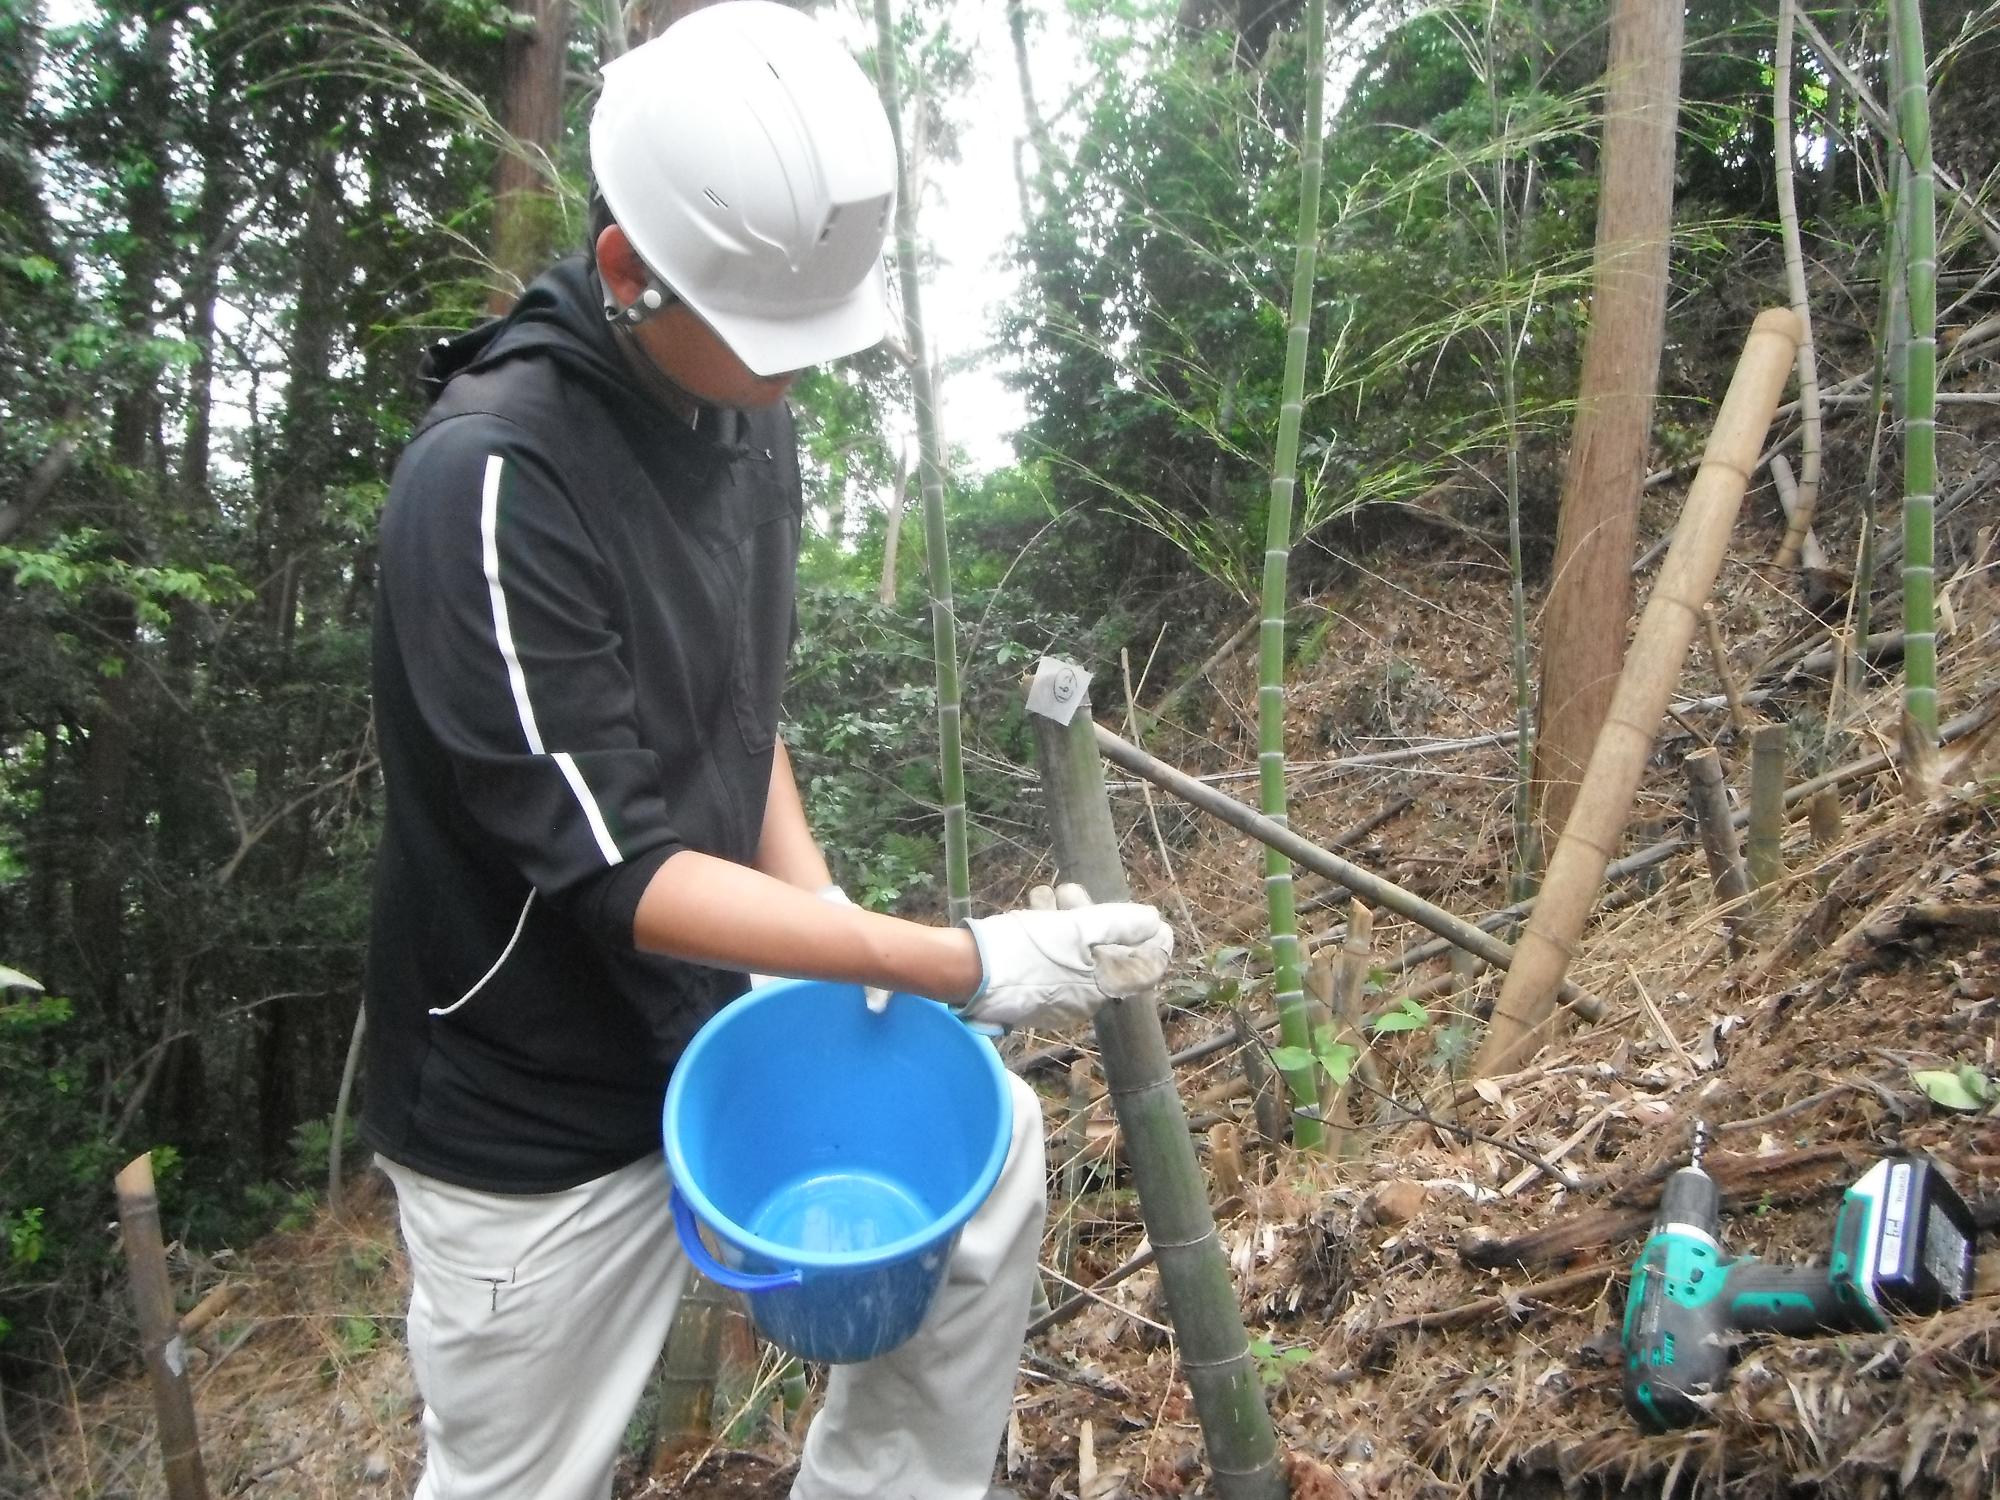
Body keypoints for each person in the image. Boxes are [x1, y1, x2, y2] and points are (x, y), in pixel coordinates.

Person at [358, 5, 1174, 1499]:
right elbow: (620, 873)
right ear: (628, 269)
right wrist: (957, 961)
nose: (791, 377)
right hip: (532, 1097)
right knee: (515, 1478)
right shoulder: (492, 483)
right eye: (761, 339)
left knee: (990, 1160)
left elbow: (736, 708)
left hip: (715, 999)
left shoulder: (736, 410)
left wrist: (826, 927)